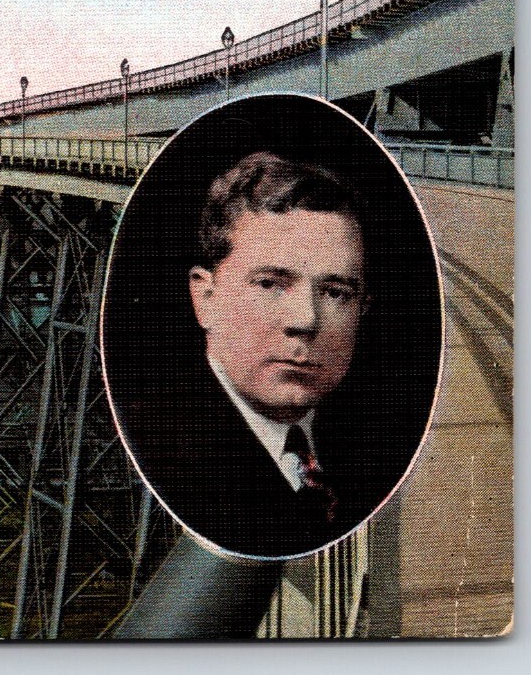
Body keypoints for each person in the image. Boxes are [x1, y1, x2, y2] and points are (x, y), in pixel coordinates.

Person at [131, 150, 387, 559]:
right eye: (270, 284)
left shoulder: (380, 441)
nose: (305, 320)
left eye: (336, 293)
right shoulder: (153, 445)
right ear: (205, 298)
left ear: (362, 309)